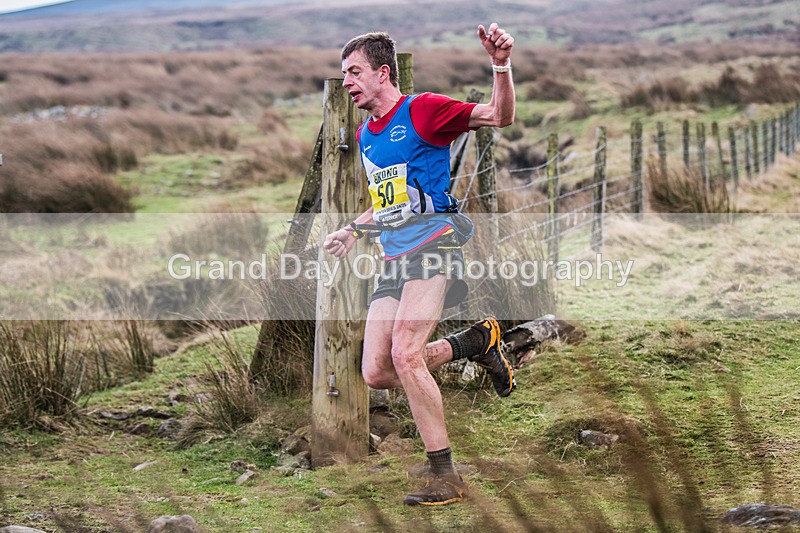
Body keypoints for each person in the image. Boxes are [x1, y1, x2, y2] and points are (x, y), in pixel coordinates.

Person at [322, 22, 516, 506]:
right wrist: (353, 228)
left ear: (383, 73)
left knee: (408, 355)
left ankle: (445, 476)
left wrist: (501, 64)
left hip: (435, 243)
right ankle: (475, 341)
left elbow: (499, 115)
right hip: (393, 254)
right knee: (378, 370)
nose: (346, 82)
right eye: (343, 73)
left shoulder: (423, 111)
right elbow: (386, 203)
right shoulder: (368, 135)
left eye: (354, 72)